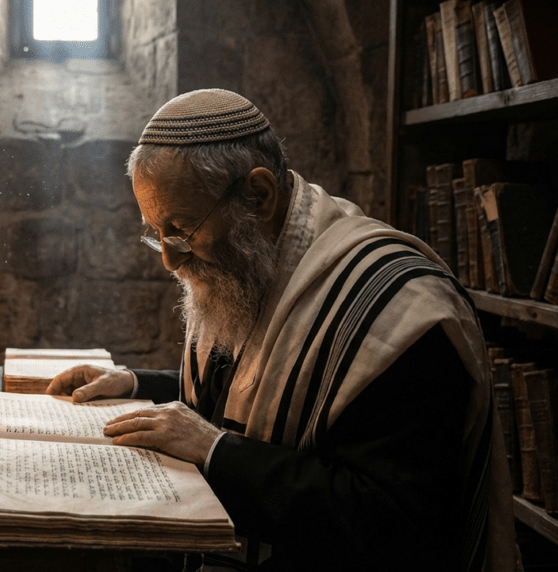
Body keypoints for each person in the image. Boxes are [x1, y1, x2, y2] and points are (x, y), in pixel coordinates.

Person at [46, 89, 515, 571]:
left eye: (181, 230)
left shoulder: (400, 315)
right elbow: (246, 393)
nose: (168, 258)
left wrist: (215, 452)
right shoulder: (256, 268)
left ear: (259, 196)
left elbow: (390, 523)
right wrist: (136, 384)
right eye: (155, 232)